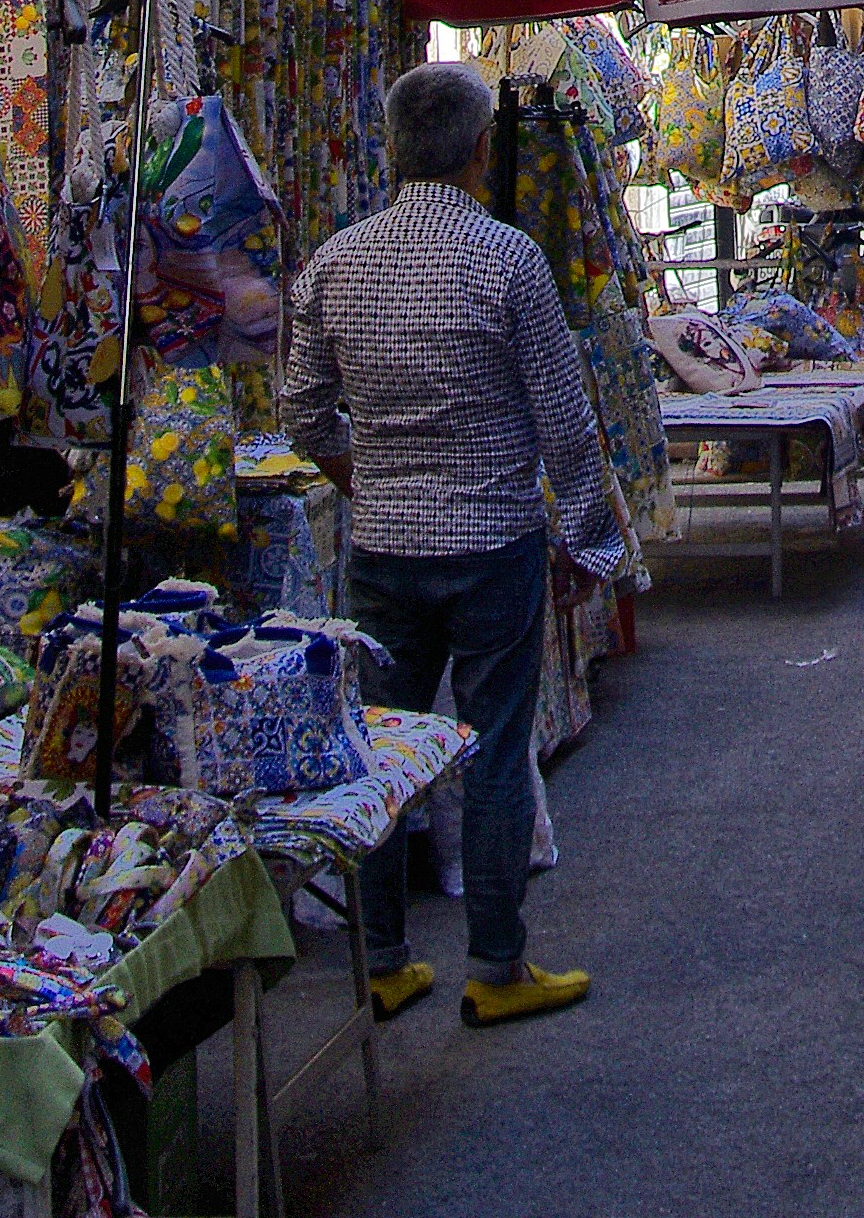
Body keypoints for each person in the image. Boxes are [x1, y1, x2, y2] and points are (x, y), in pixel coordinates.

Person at [280, 62, 633, 1026]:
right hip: (493, 545)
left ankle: (385, 959)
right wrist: (593, 543)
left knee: (383, 750)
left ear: (393, 149)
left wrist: (370, 481)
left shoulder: (335, 263)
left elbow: (303, 414)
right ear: (483, 150)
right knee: (492, 748)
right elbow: (567, 426)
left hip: (384, 551)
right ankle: (495, 963)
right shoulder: (510, 261)